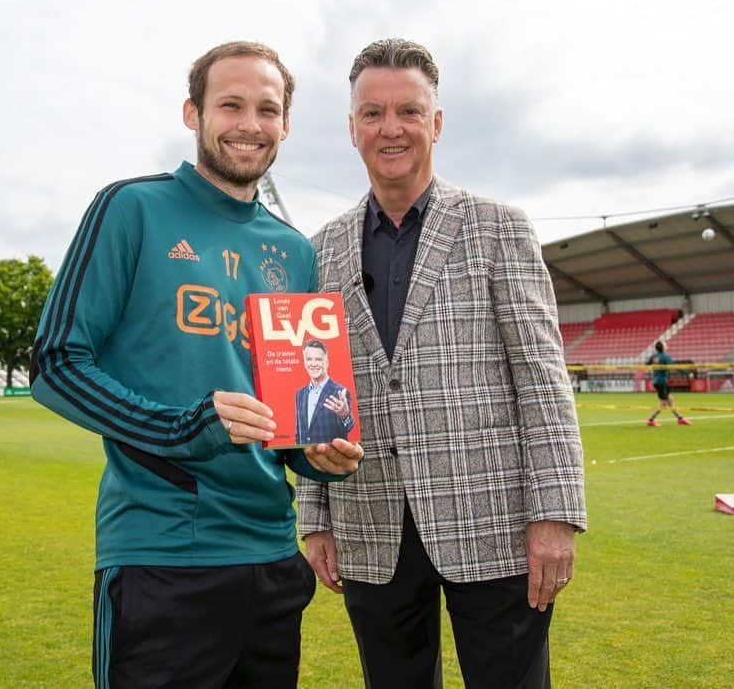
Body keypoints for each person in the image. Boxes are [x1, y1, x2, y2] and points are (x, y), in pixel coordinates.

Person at [29, 41, 363, 689]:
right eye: (229, 104)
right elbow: (55, 362)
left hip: (271, 562)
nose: (249, 123)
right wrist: (184, 426)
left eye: (267, 109)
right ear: (193, 113)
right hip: (162, 559)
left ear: (285, 125)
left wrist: (316, 452)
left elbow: (285, 410)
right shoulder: (131, 208)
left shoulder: (293, 251)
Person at [296, 38, 586, 689]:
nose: (390, 127)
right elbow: (318, 390)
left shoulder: (498, 227)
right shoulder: (318, 249)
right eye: (372, 113)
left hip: (494, 523)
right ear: (351, 128)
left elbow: (543, 381)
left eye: (407, 110)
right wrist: (315, 516)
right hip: (369, 522)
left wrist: (556, 513)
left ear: (437, 122)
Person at [295, 339, 354, 444]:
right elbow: (299, 432)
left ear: (326, 362)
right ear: (304, 362)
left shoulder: (340, 392)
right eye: (309, 359)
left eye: (318, 359)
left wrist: (344, 416)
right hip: (304, 458)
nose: (313, 364)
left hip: (332, 457)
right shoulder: (300, 394)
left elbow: (348, 427)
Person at [646, 341, 692, 426]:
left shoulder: (653, 356)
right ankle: (651, 420)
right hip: (662, 382)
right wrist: (687, 373)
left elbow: (646, 364)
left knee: (670, 400)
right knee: (663, 402)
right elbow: (675, 367)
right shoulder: (665, 357)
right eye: (665, 344)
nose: (667, 346)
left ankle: (680, 418)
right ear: (663, 347)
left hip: (656, 381)